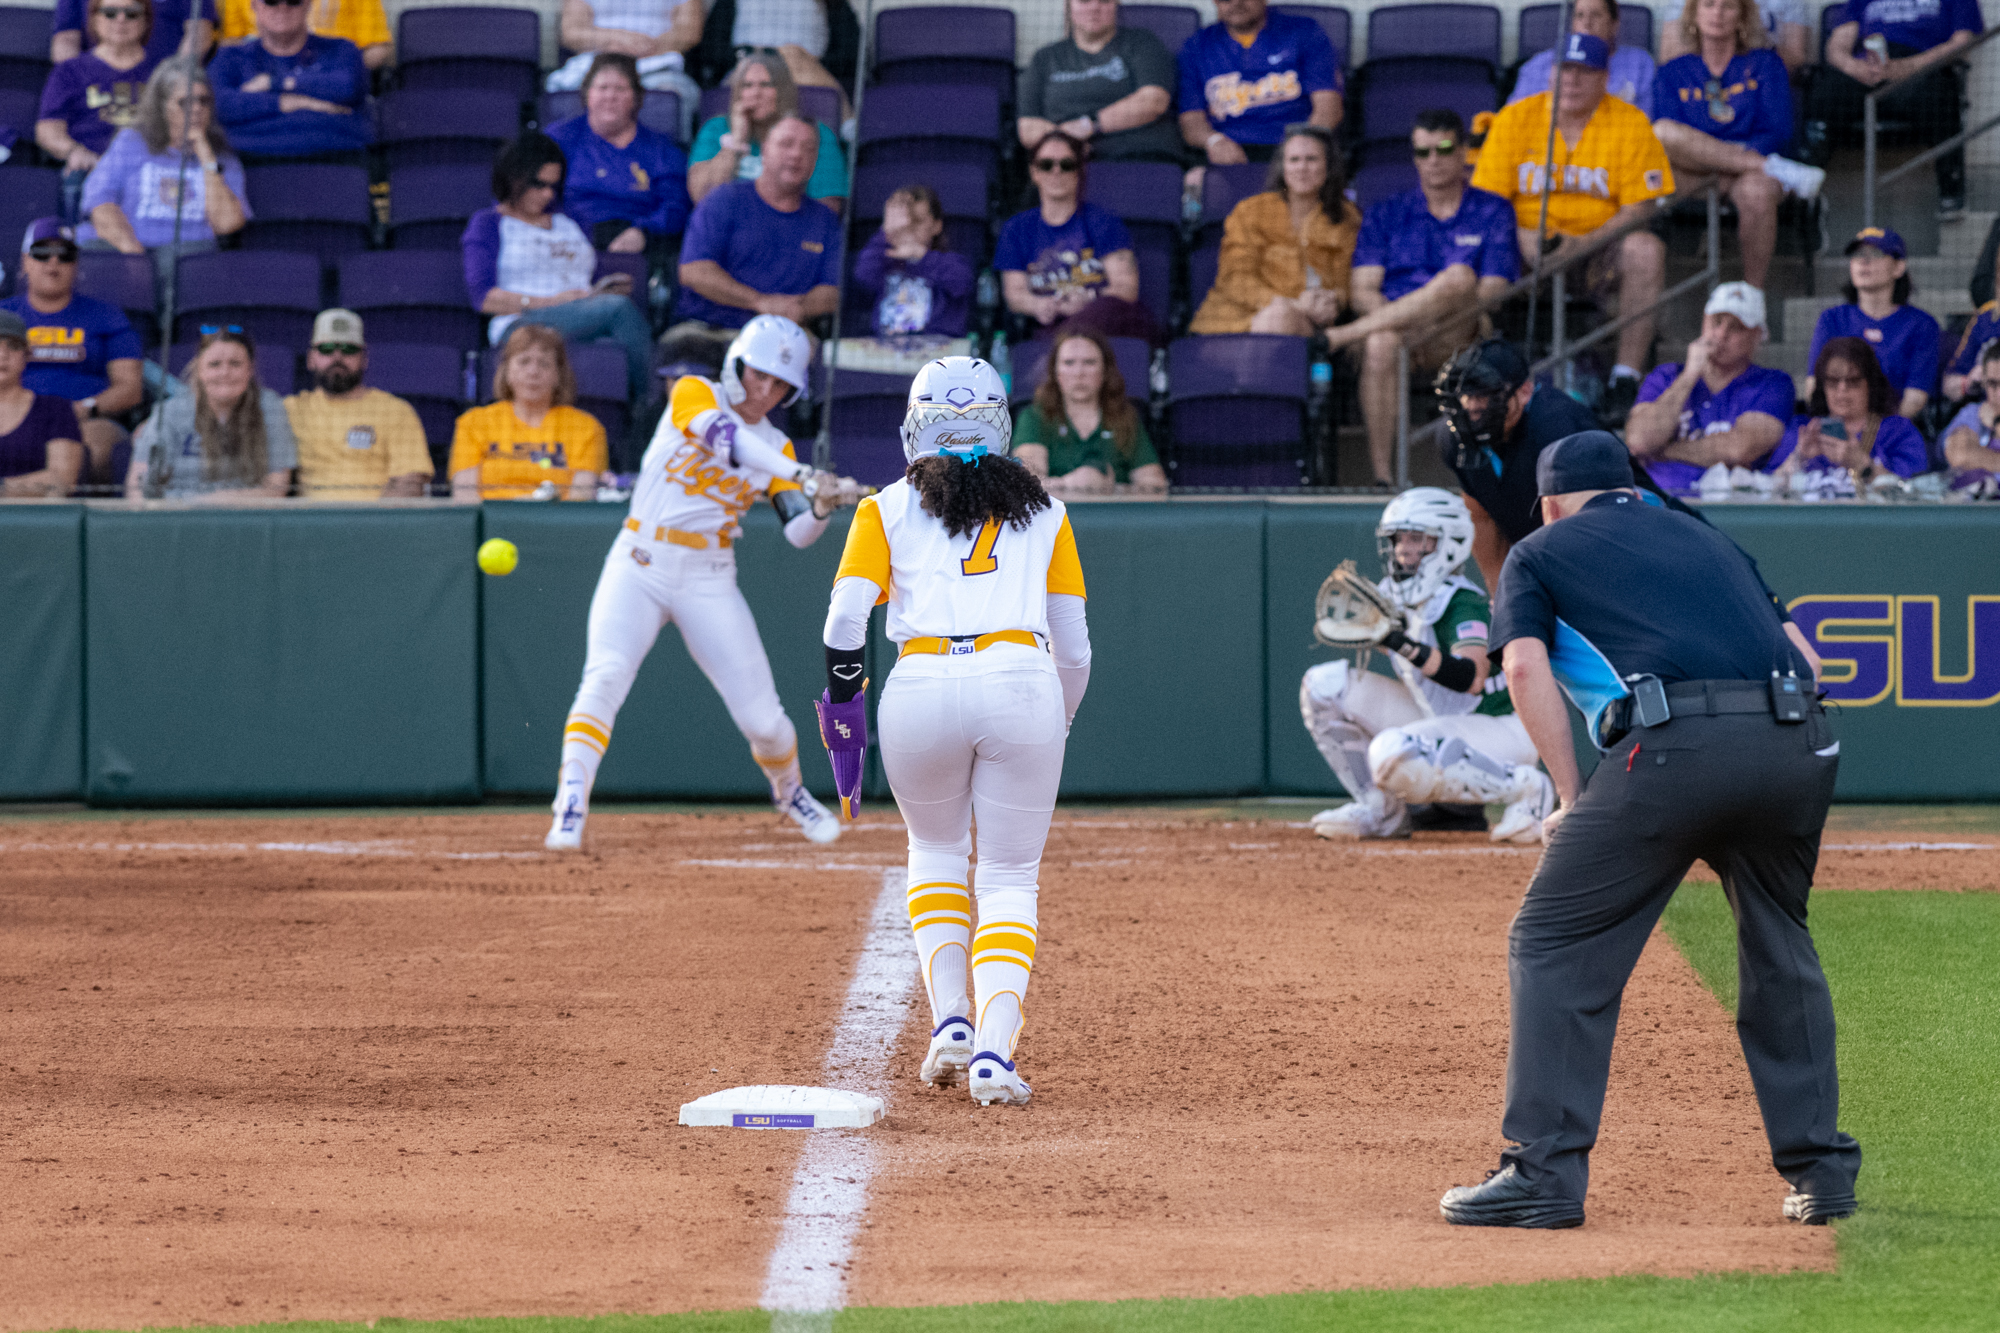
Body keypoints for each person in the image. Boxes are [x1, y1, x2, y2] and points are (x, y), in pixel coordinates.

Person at [1438, 429, 1858, 1233]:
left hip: (1675, 751)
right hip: (1799, 740)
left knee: (1554, 938)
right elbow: (1809, 659)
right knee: (1779, 942)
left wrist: (1567, 793)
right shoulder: (1705, 534)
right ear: (1634, 487)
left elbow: (1522, 668)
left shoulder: (1541, 548)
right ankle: (1822, 1169)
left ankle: (1542, 1173)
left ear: (1553, 502)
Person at [815, 356, 1092, 1107]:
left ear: (917, 425)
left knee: (934, 850)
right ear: (998, 424)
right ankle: (996, 1053)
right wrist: (1056, 718)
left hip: (919, 684)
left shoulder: (884, 507)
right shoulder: (1049, 511)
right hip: (1021, 680)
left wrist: (843, 708)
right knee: (1008, 875)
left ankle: (949, 1024)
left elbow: (844, 625)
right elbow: (1075, 649)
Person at [546, 315, 864, 852]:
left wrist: (820, 505)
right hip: (639, 560)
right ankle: (570, 800)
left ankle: (789, 793)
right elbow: (725, 437)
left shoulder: (780, 450)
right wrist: (804, 474)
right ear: (736, 364)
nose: (766, 390)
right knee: (604, 675)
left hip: (709, 576)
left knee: (765, 721)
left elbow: (798, 535)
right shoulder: (695, 393)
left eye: (780, 383)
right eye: (759, 374)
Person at [1302, 489, 1551, 844]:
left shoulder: (1462, 601)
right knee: (1323, 684)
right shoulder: (1398, 596)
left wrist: (1397, 641)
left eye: (1416, 538)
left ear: (1447, 543)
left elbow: (1470, 677)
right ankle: (1381, 812)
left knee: (1389, 752)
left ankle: (1527, 789)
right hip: (1442, 715)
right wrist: (1383, 639)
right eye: (1399, 539)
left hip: (1500, 727)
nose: (1403, 548)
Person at [1472, 32, 1675, 425]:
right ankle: (1482, 382)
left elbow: (1640, 209)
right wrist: (1524, 237)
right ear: (1550, 74)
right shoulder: (1516, 118)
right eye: (1565, 69)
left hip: (1600, 251)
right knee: (1477, 247)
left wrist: (1583, 243)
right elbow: (1487, 204)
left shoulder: (1630, 122)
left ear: (1604, 78)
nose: (1572, 80)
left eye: (1585, 72)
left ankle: (1625, 379)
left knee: (1646, 248)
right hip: (1525, 252)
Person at [1325, 110, 1520, 489]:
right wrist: (1405, 320)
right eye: (1423, 151)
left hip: (1460, 331)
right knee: (1381, 342)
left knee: (1459, 278)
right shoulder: (1386, 213)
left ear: (1464, 152)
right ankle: (1383, 476)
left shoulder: (1493, 210)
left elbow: (1493, 293)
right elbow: (1363, 289)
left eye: (1444, 149)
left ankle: (1343, 336)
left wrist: (1434, 313)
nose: (1433, 159)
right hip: (1396, 333)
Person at [462, 132, 653, 407]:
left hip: (580, 313)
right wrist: (552, 302)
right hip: (520, 322)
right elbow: (483, 298)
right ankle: (652, 406)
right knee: (618, 310)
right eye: (538, 185)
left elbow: (579, 273)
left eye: (554, 186)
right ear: (514, 178)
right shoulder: (489, 224)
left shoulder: (571, 220)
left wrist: (604, 288)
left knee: (620, 317)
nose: (547, 194)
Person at [1652, 0, 1823, 291]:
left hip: (1745, 174)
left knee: (1757, 192)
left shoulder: (1766, 64)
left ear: (1743, 17)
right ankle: (1772, 169)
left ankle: (1752, 298)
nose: (1717, 13)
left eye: (1728, 6)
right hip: (1696, 171)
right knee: (1661, 134)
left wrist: (1721, 159)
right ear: (1694, 14)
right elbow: (1667, 137)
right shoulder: (1672, 72)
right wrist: (1732, 160)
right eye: (1708, 5)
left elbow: (1778, 131)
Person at [667, 114, 840, 367]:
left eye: (808, 148)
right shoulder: (724, 200)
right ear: (764, 150)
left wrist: (799, 308)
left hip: (782, 340)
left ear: (815, 160)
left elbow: (832, 292)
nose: (796, 154)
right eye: (786, 144)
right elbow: (693, 271)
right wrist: (760, 302)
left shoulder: (824, 220)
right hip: (709, 334)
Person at [1433, 338, 1599, 593]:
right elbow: (1481, 516)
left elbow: (1585, 524)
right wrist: (1501, 593)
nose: (1473, 406)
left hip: (1620, 545)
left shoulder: (1556, 429)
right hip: (1542, 552)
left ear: (1524, 392)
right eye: (1466, 395)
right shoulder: (1453, 438)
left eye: (1485, 394)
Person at [78, 58, 249, 291]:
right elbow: (99, 203)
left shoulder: (222, 158)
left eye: (203, 101)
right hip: (131, 248)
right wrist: (134, 255)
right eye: (185, 102)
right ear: (162, 106)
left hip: (187, 259)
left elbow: (226, 224)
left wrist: (205, 153)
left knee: (187, 266)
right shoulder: (132, 142)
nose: (196, 109)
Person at [1804, 0, 1980, 218]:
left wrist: (1907, 68)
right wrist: (1855, 68)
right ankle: (1804, 194)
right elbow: (1836, 47)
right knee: (1825, 93)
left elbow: (1961, 45)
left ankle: (1951, 193)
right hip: (1868, 73)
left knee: (1942, 91)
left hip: (1921, 71)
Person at [0, 218, 145, 484]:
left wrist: (82, 409)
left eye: (65, 255)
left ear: (76, 264)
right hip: (9, 415)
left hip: (86, 419)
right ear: (25, 262)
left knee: (95, 444)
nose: (53, 263)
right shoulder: (4, 315)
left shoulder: (107, 317)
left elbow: (130, 387)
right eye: (42, 253)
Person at [1188, 125, 1359, 339]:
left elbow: (1347, 282)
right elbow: (1236, 280)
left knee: (1283, 320)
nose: (1302, 168)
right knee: (1279, 318)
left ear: (1329, 166)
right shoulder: (1250, 211)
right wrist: (1289, 305)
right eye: (1294, 160)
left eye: (1312, 159)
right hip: (1232, 324)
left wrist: (1333, 301)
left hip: (1311, 325)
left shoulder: (1348, 218)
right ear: (1282, 167)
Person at [1625, 282, 1796, 494]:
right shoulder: (1667, 376)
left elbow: (1740, 448)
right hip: (1657, 501)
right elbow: (1640, 441)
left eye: (1736, 327)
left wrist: (1666, 450)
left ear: (1757, 336)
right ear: (1704, 322)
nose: (1721, 334)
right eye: (1716, 322)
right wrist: (1689, 375)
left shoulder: (1773, 383)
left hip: (1730, 509)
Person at [997, 130, 1155, 344]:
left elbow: (1126, 289)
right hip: (1049, 326)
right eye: (1046, 165)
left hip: (1104, 329)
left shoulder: (1105, 223)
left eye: (1066, 165)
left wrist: (1087, 300)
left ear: (1078, 172)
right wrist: (1038, 306)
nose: (1056, 172)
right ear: (1034, 173)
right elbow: (1014, 294)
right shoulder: (1016, 229)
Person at [546, 53, 693, 274]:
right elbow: (533, 190)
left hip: (639, 247)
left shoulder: (661, 150)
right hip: (566, 242)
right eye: (602, 88)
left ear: (637, 98)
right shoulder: (558, 139)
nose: (610, 96)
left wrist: (643, 233)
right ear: (587, 94)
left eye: (620, 89)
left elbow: (676, 205)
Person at [126, 327, 296, 498]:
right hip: (180, 520)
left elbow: (277, 487)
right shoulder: (171, 412)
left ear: (250, 370)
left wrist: (215, 503)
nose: (225, 373)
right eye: (214, 364)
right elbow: (138, 489)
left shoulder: (270, 406)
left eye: (235, 364)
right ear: (199, 369)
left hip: (247, 519)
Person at [1178, 0, 1342, 174]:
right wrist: (1213, 141)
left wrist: (1303, 146)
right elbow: (1191, 121)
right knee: (1195, 181)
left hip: (1292, 143)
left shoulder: (1304, 32)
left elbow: (1328, 107)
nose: (1236, 3)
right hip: (1229, 148)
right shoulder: (1197, 46)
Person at [286, 308, 434, 499]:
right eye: (326, 349)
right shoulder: (289, 410)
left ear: (365, 359)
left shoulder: (395, 411)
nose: (337, 358)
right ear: (310, 359)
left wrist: (370, 525)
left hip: (375, 522)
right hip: (307, 523)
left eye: (349, 349)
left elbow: (410, 482)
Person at [449, 324, 607, 501]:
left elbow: (581, 498)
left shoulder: (585, 428)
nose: (533, 372)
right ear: (506, 371)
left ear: (558, 375)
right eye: (524, 361)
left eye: (544, 364)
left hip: (555, 525)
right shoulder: (474, 423)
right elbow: (464, 496)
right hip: (491, 524)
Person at [35, 0, 160, 222]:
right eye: (110, 12)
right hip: (90, 169)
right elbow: (48, 130)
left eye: (132, 13)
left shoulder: (163, 74)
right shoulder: (69, 71)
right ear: (93, 19)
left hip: (151, 170)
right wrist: (74, 152)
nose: (120, 20)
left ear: (146, 21)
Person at [1018, 0, 1180, 165]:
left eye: (1104, 1)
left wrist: (1089, 125)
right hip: (1069, 167)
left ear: (1116, 5)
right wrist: (1066, 140)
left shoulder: (1143, 43)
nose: (1094, 7)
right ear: (1069, 5)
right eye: (1084, 1)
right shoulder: (1045, 58)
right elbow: (1028, 129)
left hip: (1141, 158)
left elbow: (1154, 101)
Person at [208, 0, 370, 162]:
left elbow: (347, 87)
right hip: (248, 166)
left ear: (308, 4)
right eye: (271, 1)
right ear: (254, 4)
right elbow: (219, 105)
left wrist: (273, 83)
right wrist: (297, 102)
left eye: (293, 1)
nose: (283, 7)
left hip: (338, 163)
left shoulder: (342, 49)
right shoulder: (229, 57)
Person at [686, 52, 848, 212]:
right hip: (728, 231)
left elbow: (828, 208)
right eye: (747, 85)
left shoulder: (813, 134)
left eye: (766, 85)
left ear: (784, 91)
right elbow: (701, 198)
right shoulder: (716, 129)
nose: (756, 93)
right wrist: (736, 142)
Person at [1011, 329, 1166, 494]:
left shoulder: (1125, 417)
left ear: (1105, 371)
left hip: (1112, 516)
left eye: (1089, 362)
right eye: (1069, 363)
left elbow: (1156, 485)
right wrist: (1069, 483)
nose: (1079, 373)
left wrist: (1112, 488)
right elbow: (1024, 483)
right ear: (1056, 372)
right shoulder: (1034, 417)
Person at [1807, 227, 1937, 421]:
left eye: (1876, 253)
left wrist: (1875, 433)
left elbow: (1915, 399)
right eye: (1857, 254)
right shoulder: (1832, 319)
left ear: (1899, 267)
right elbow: (1813, 386)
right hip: (1836, 427)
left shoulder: (1922, 325)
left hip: (1892, 430)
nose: (1863, 261)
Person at [1768, 337, 1929, 493]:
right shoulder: (1802, 429)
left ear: (1871, 385)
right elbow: (1764, 490)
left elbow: (1915, 493)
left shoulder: (1899, 431)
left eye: (1853, 381)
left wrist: (1863, 466)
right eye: (1832, 381)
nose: (1842, 389)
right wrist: (1798, 458)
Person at [548, 0, 702, 139]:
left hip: (657, 64)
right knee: (560, 87)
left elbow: (689, 32)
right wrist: (616, 39)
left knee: (679, 93)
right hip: (595, 63)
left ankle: (664, 161)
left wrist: (647, 46)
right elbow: (571, 33)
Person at [695, 0, 859, 124]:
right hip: (748, 66)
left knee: (795, 59)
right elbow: (712, 49)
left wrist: (801, 59)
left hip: (807, 72)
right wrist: (756, 55)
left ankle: (848, 132)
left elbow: (851, 51)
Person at [851, 184, 975, 339]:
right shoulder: (884, 260)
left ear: (937, 225)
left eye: (918, 221)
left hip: (935, 354)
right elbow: (863, 276)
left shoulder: (950, 262)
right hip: (887, 352)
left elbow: (961, 284)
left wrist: (921, 256)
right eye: (904, 222)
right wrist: (886, 232)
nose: (909, 228)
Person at [1509, 0, 1657, 119]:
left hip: (1617, 145)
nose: (1587, 22)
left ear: (1614, 24)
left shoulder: (1639, 63)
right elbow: (1514, 117)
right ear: (1572, 23)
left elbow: (1647, 120)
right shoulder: (1540, 64)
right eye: (1579, 15)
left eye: (1596, 15)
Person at [0, 310, 86, 497]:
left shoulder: (55, 409)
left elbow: (62, 480)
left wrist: (2, 488)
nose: (2, 354)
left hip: (37, 522)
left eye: (13, 346)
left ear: (27, 355)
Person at [215, 0, 390, 70]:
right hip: (259, 81)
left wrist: (339, 72)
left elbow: (378, 48)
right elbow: (232, 41)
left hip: (330, 79)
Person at [1660, 0, 1812, 72]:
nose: (1717, 13)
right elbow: (1667, 56)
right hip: (1695, 82)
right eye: (1709, 5)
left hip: (1760, 79)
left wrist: (1752, 41)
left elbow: (1796, 59)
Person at [50, 0, 211, 66]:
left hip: (161, 86)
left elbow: (199, 34)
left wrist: (174, 78)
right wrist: (75, 80)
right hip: (95, 87)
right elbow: (65, 39)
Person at [1940, 340, 2000, 491]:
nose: (1998, 394)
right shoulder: (1972, 414)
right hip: (1974, 512)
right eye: (1992, 384)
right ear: (1984, 382)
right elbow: (1960, 456)